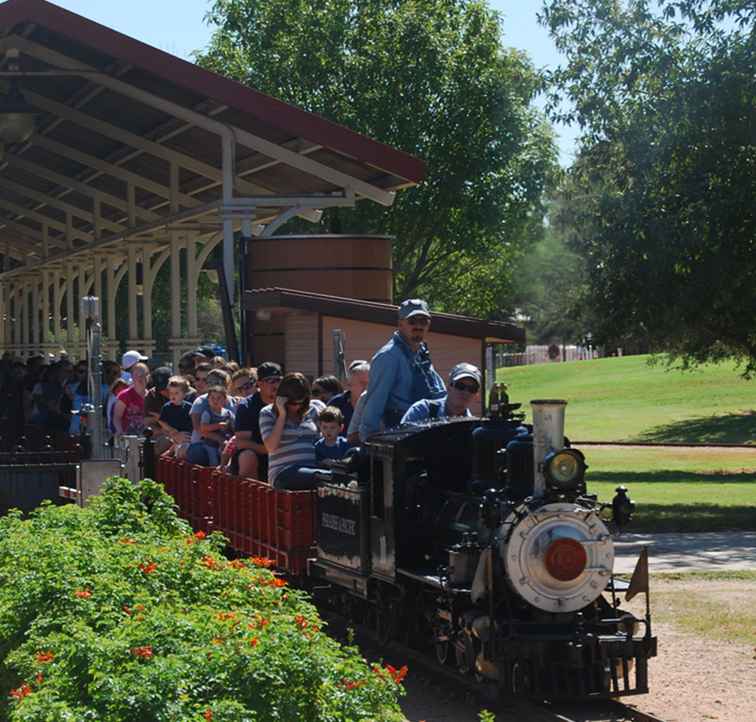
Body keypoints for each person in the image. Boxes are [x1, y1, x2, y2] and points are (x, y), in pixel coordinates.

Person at [359, 298, 445, 441]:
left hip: (427, 433)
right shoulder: (388, 356)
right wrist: (367, 444)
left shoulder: (422, 355)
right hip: (401, 435)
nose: (418, 326)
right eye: (412, 321)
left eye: (423, 321)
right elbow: (374, 404)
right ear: (400, 324)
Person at [259, 372, 325, 489]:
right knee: (322, 477)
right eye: (292, 403)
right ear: (282, 398)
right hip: (283, 472)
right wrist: (282, 415)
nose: (297, 407)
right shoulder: (268, 413)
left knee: (332, 478)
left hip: (312, 468)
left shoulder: (315, 409)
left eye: (301, 403)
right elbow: (271, 447)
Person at [233, 361, 281, 480]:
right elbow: (242, 442)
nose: (275, 385)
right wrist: (268, 450)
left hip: (284, 453)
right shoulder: (247, 406)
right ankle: (248, 497)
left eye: (278, 380)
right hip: (259, 454)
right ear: (259, 383)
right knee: (247, 456)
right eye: (270, 381)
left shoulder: (288, 402)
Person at [401, 362, 481, 425]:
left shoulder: (473, 427)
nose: (465, 392)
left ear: (476, 395)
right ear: (449, 387)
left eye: (472, 389)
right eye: (460, 386)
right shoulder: (421, 410)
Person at [328, 360, 370, 432]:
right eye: (363, 383)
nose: (367, 387)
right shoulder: (336, 404)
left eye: (370, 383)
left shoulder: (378, 404)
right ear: (349, 385)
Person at [158, 376, 193, 459]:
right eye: (171, 393)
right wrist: (171, 430)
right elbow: (161, 421)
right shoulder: (167, 407)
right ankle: (172, 451)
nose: (173, 396)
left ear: (184, 394)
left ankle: (172, 452)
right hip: (172, 434)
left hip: (186, 435)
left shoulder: (189, 407)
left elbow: (193, 422)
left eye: (176, 393)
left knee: (183, 447)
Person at [199, 385, 235, 467]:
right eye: (212, 398)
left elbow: (235, 425)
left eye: (219, 398)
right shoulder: (207, 413)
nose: (215, 400)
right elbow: (203, 427)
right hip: (210, 443)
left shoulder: (228, 413)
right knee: (214, 460)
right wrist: (218, 426)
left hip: (225, 441)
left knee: (229, 453)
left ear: (225, 400)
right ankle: (214, 473)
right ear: (208, 399)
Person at [113, 362, 148, 436]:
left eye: (143, 375)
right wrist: (120, 431)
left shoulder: (151, 396)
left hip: (146, 435)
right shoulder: (124, 395)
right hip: (128, 436)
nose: (140, 378)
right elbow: (117, 417)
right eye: (136, 375)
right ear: (132, 377)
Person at [144, 367, 173, 455]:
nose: (164, 392)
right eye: (161, 389)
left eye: (166, 387)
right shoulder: (152, 395)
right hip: (161, 434)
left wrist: (160, 419)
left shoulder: (186, 393)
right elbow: (147, 421)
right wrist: (162, 430)